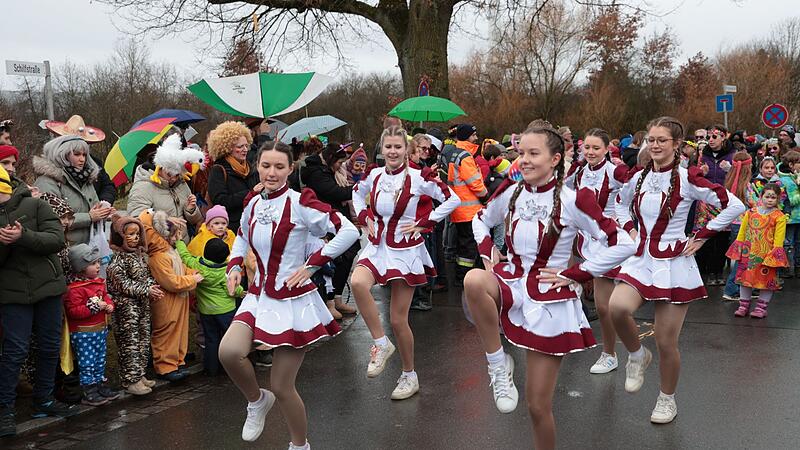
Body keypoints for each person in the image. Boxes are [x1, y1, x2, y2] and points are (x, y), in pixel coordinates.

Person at [463, 124, 634, 450]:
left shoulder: (573, 200)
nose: (524, 160)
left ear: (555, 159)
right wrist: (488, 254)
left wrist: (577, 272)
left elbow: (621, 242)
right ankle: (498, 365)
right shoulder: (511, 193)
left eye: (533, 153)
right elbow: (480, 219)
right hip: (511, 282)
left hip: (549, 302)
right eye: (521, 152)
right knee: (473, 280)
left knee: (537, 407)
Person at [219, 140, 359, 447]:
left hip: (294, 302)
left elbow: (349, 231)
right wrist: (234, 267)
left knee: (282, 386)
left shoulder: (302, 203)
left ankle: (299, 445)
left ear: (289, 169)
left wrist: (313, 264)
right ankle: (256, 401)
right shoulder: (253, 203)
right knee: (228, 352)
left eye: (279, 167)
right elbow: (241, 236)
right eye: (266, 166)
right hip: (258, 296)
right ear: (257, 166)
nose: (271, 172)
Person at [611, 117, 745, 424]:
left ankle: (666, 399)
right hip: (642, 258)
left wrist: (702, 235)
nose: (655, 145)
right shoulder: (639, 177)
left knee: (666, 341)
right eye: (651, 139)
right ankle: (636, 354)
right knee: (617, 308)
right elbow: (620, 203)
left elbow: (734, 205)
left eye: (661, 140)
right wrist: (630, 229)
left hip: (674, 262)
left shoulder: (688, 179)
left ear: (675, 144)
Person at [350, 126, 460, 400]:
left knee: (399, 320)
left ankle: (409, 375)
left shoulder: (418, 177)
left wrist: (425, 222)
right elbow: (355, 192)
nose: (392, 151)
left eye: (398, 147)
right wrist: (364, 215)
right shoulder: (374, 175)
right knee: (357, 283)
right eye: (388, 147)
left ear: (406, 150)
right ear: (382, 149)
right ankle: (380, 343)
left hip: (405, 251)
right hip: (378, 247)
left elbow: (452, 199)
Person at [0, 165, 79, 437]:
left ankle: (43, 400)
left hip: (48, 288)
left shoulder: (35, 205)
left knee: (49, 345)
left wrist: (24, 236)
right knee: (15, 351)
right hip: (12, 293)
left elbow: (56, 240)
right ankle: (5, 410)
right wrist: (7, 242)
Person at [565, 128, 629, 375]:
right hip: (591, 241)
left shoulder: (615, 172)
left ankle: (628, 350)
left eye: (596, 148)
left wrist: (627, 220)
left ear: (606, 150)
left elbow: (637, 188)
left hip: (615, 241)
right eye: (587, 148)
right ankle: (610, 354)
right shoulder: (578, 171)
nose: (590, 152)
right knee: (603, 307)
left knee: (615, 305)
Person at [139, 209, 202, 381]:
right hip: (166, 302)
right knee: (166, 331)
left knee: (180, 330)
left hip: (179, 300)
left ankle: (177, 361)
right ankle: (165, 366)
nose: (176, 239)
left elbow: (180, 269)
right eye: (173, 236)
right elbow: (171, 281)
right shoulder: (158, 257)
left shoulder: (170, 252)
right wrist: (192, 279)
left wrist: (192, 272)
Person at [301, 143, 359, 319]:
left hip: (335, 219)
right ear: (331, 159)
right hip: (323, 223)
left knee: (348, 253)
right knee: (331, 262)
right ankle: (329, 301)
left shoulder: (329, 171)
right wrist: (359, 189)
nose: (340, 166)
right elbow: (334, 193)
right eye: (339, 162)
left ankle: (337, 298)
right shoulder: (316, 173)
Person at [106, 215, 162, 396]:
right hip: (126, 308)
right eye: (130, 234)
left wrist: (152, 287)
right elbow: (122, 284)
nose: (135, 238)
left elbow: (145, 277)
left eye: (137, 234)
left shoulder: (139, 257)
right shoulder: (117, 260)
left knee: (143, 340)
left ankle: (140, 374)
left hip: (142, 306)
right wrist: (146, 290)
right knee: (129, 342)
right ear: (120, 236)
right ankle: (131, 379)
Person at [177, 237, 243, 376]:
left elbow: (185, 256)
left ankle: (211, 369)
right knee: (229, 339)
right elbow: (233, 290)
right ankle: (231, 368)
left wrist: (179, 241)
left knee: (211, 339)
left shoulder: (198, 264)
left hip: (206, 311)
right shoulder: (226, 271)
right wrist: (241, 292)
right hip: (225, 311)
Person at [64, 243, 119, 406]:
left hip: (100, 330)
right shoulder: (74, 289)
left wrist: (109, 305)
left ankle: (100, 385)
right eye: (93, 263)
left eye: (97, 263)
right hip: (83, 333)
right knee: (87, 362)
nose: (97, 266)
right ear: (81, 268)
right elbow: (74, 311)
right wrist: (94, 307)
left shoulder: (98, 283)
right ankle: (89, 390)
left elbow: (106, 298)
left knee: (99, 360)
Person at [34, 135, 113, 245]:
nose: (82, 159)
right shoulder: (46, 182)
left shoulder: (86, 179)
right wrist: (89, 217)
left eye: (84, 155)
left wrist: (103, 212)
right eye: (77, 154)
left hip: (88, 251)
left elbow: (94, 208)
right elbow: (52, 220)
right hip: (64, 249)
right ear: (62, 155)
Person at [726, 184, 788, 318]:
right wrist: (739, 246)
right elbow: (742, 231)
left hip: (767, 254)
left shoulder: (779, 216)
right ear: (761, 197)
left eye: (773, 197)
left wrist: (774, 254)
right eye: (767, 196)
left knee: (766, 282)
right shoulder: (751, 212)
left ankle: (761, 308)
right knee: (745, 280)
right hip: (749, 252)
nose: (770, 200)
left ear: (778, 199)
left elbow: (779, 238)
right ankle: (743, 306)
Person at [127, 134, 205, 233]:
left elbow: (195, 220)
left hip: (182, 244)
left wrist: (191, 210)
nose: (173, 179)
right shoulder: (143, 186)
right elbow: (136, 219)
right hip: (159, 246)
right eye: (169, 174)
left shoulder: (181, 183)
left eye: (177, 175)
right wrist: (164, 220)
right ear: (160, 167)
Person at [442, 124, 488, 285]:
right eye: (473, 135)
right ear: (467, 136)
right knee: (468, 246)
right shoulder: (465, 156)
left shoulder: (455, 154)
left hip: (460, 209)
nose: (476, 138)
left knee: (463, 245)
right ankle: (464, 277)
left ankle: (462, 275)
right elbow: (474, 183)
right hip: (469, 209)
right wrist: (486, 196)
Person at [207, 121, 258, 233]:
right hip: (231, 230)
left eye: (246, 145)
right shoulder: (219, 170)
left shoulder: (249, 166)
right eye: (240, 146)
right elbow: (220, 201)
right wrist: (250, 193)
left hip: (253, 224)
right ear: (227, 148)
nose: (245, 149)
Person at [718, 153, 753, 301]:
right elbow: (754, 203)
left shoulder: (729, 182)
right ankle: (732, 289)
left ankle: (743, 288)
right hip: (745, 225)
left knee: (740, 258)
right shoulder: (746, 186)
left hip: (734, 224)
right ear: (748, 167)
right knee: (742, 259)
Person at [777, 150, 800, 277]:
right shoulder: (786, 180)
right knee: (788, 242)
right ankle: (785, 268)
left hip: (799, 218)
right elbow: (793, 200)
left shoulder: (796, 177)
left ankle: (797, 266)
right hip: (791, 217)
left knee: (798, 242)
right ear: (791, 165)